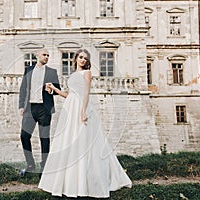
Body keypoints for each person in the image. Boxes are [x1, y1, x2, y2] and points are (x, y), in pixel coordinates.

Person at [38, 49, 132, 198]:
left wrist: (83, 111)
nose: (82, 60)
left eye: (85, 58)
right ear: (75, 59)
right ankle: (68, 181)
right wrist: (54, 89)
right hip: (70, 108)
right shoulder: (73, 75)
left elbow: (86, 93)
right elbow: (69, 94)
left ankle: (86, 182)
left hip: (81, 107)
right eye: (80, 57)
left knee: (84, 142)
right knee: (68, 142)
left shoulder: (87, 73)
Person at [18, 49, 61, 176]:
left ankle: (45, 167)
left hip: (44, 109)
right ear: (37, 56)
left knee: (44, 138)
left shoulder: (52, 72)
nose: (47, 57)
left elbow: (58, 88)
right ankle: (30, 165)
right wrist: (21, 105)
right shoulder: (28, 70)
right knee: (24, 136)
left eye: (48, 55)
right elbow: (23, 89)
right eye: (44, 55)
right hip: (29, 108)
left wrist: (51, 90)